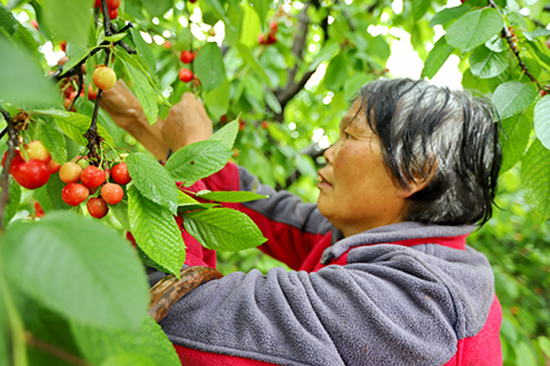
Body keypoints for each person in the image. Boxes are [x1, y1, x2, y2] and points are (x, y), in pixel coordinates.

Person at [101, 77, 503, 365]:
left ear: (416, 172)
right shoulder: (383, 241)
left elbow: (177, 316)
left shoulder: (412, 304)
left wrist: (189, 157)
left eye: (350, 135)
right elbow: (264, 211)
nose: (329, 151)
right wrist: (137, 120)